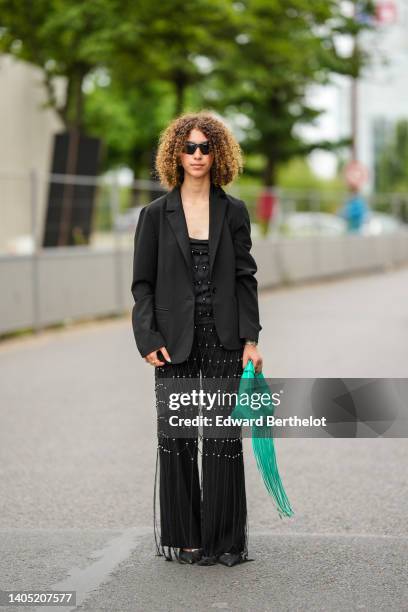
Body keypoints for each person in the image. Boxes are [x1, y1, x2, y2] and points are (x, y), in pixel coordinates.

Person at [130, 110, 263, 567]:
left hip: (225, 338)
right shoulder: (153, 215)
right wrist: (147, 337)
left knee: (223, 437)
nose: (198, 155)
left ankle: (224, 540)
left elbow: (246, 278)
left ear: (219, 153)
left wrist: (252, 338)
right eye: (189, 147)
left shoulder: (235, 212)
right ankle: (187, 537)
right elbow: (141, 284)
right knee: (179, 435)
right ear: (176, 153)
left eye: (207, 147)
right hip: (173, 340)